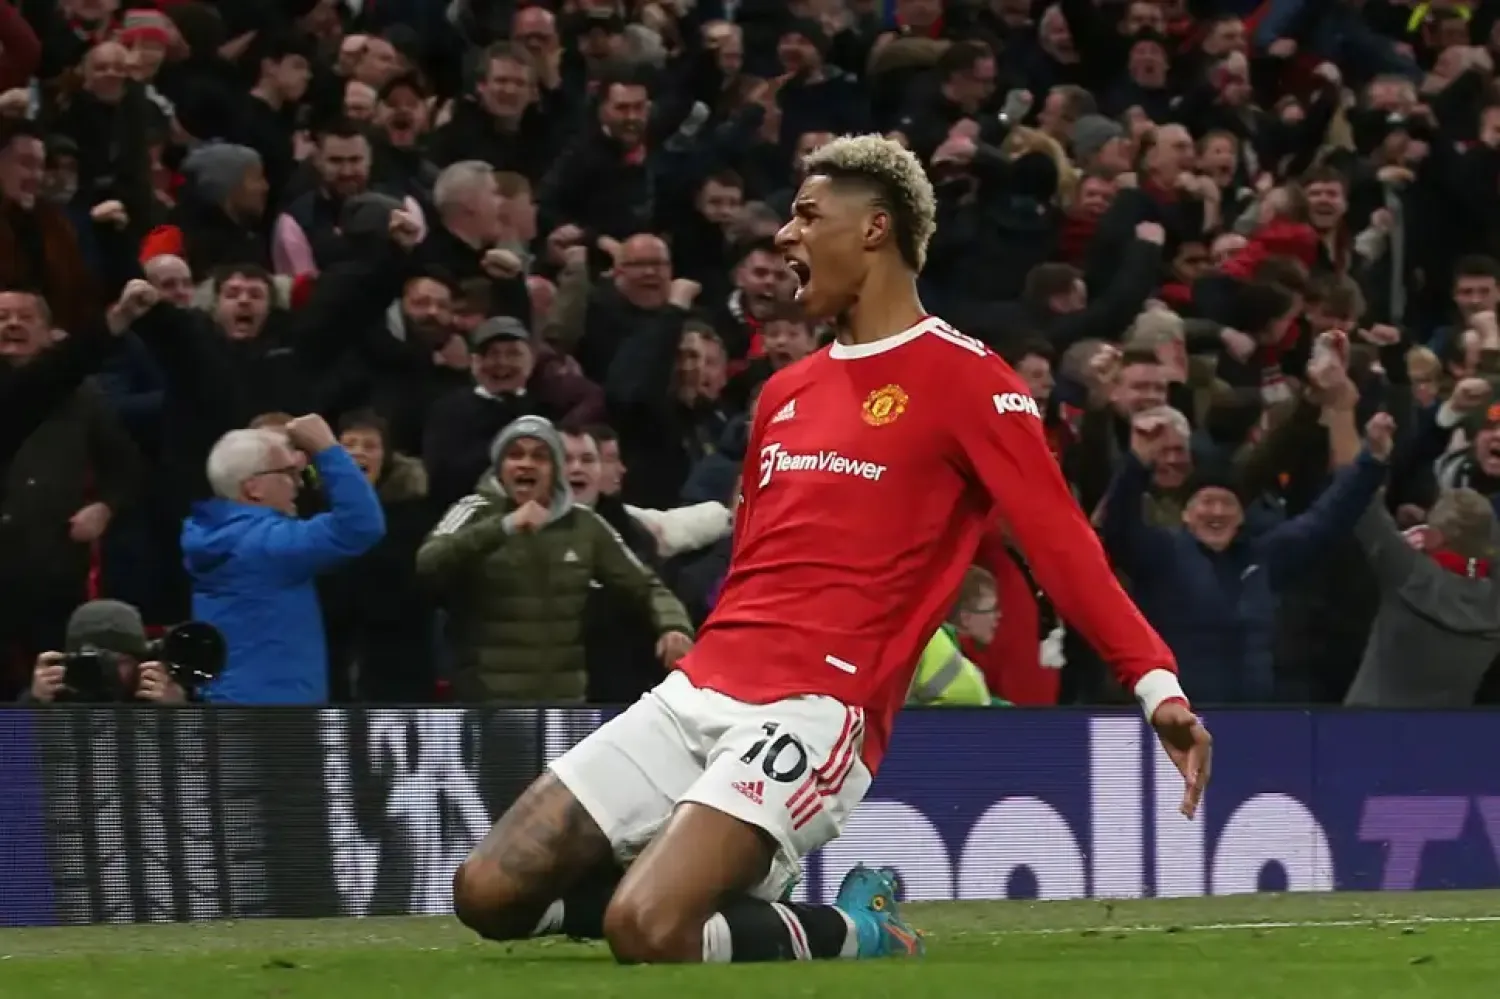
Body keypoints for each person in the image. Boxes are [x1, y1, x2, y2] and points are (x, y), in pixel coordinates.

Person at [447, 134, 1210, 965]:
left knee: (649, 933)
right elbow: (758, 559)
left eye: (808, 216)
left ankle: (857, 925)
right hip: (699, 690)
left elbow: (1063, 544)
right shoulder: (784, 393)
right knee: (486, 893)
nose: (785, 237)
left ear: (876, 229)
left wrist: (1155, 684)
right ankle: (701, 892)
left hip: (814, 710)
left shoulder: (970, 379)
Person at [22, 599, 186, 704]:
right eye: (95, 659)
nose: (106, 670)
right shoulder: (56, 699)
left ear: (140, 662)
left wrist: (177, 714)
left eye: (120, 661)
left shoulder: (153, 698)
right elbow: (11, 756)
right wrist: (33, 703)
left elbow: (199, 757)